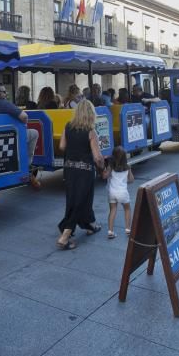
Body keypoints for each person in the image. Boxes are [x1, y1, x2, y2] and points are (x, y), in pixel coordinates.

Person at [56, 100, 104, 249]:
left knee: (75, 199)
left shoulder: (68, 126)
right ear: (91, 113)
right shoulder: (91, 131)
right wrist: (102, 168)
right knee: (80, 202)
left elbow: (62, 146)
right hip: (85, 171)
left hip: (70, 169)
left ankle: (90, 225)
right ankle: (65, 236)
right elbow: (97, 157)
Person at [0, 82, 41, 189]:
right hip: (7, 139)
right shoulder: (3, 103)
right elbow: (24, 117)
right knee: (34, 133)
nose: (6, 94)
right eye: (4, 92)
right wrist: (23, 125)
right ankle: (27, 163)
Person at [102, 146, 133, 238]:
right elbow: (131, 180)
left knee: (112, 210)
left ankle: (110, 231)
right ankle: (128, 230)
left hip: (112, 192)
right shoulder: (127, 167)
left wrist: (103, 168)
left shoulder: (110, 167)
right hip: (123, 193)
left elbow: (104, 176)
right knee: (127, 209)